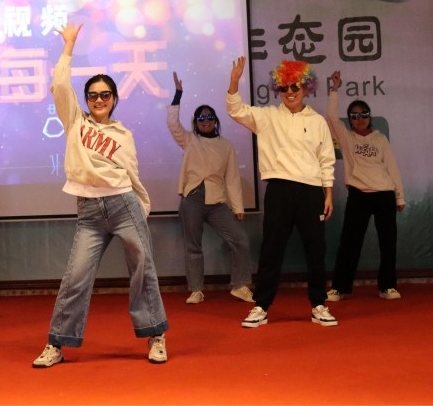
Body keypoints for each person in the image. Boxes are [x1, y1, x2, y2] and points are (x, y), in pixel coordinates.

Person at [32, 23, 169, 368]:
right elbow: (59, 85)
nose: (98, 100)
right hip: (90, 212)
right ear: (86, 99)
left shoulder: (124, 134)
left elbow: (133, 177)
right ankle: (56, 344)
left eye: (105, 95)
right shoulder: (75, 122)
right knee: (76, 277)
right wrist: (68, 47)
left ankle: (156, 335)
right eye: (93, 95)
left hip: (124, 205)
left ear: (114, 99)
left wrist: (142, 208)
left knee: (143, 269)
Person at [226, 57, 338, 328]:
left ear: (306, 87)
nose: (290, 92)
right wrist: (234, 81)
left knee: (316, 250)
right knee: (271, 250)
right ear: (278, 89)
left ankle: (319, 304)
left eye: (295, 86)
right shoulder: (267, 116)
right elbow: (236, 110)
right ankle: (261, 306)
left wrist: (328, 193)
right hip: (278, 190)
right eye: (284, 87)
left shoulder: (318, 121)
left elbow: (326, 159)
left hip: (311, 191)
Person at [167, 71, 254, 305]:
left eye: (210, 117)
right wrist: (178, 94)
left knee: (240, 239)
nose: (206, 121)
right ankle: (196, 289)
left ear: (216, 121)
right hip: (192, 199)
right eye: (201, 118)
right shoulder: (189, 140)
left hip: (216, 202)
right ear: (196, 122)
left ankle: (241, 285)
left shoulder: (226, 145)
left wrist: (238, 207)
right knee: (193, 247)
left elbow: (232, 178)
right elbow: (172, 123)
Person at [324, 70, 406, 301]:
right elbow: (331, 116)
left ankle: (387, 286)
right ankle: (339, 287)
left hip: (384, 194)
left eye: (363, 114)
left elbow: (392, 167)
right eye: (354, 115)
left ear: (370, 117)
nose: (359, 119)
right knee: (349, 242)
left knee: (388, 243)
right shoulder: (346, 137)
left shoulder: (380, 139)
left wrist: (399, 197)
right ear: (349, 119)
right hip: (358, 195)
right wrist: (335, 89)